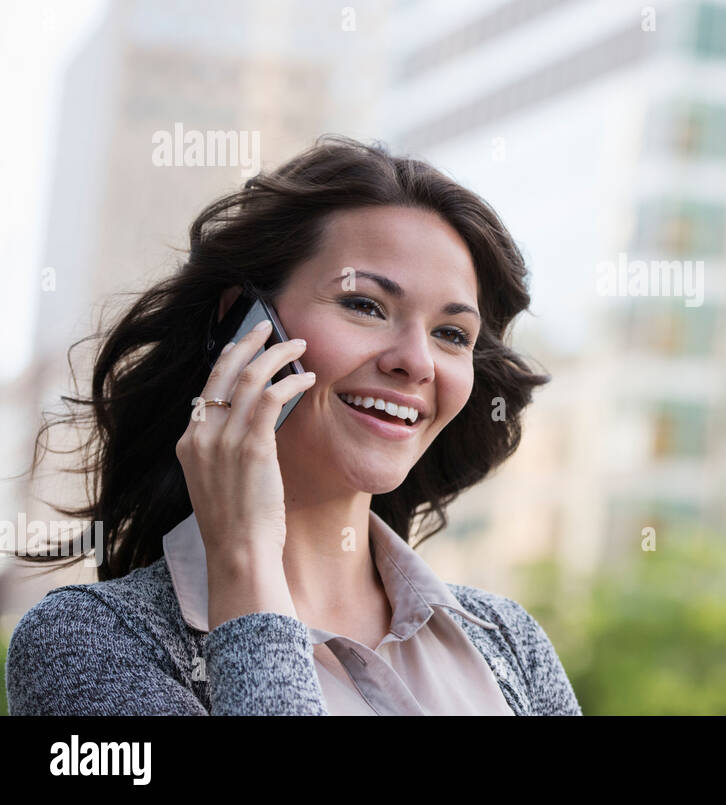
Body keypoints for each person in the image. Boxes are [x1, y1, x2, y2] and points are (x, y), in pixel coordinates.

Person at [3, 135, 582, 715]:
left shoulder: (510, 643)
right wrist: (245, 563)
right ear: (244, 325)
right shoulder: (92, 642)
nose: (417, 361)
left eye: (452, 334)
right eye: (365, 305)